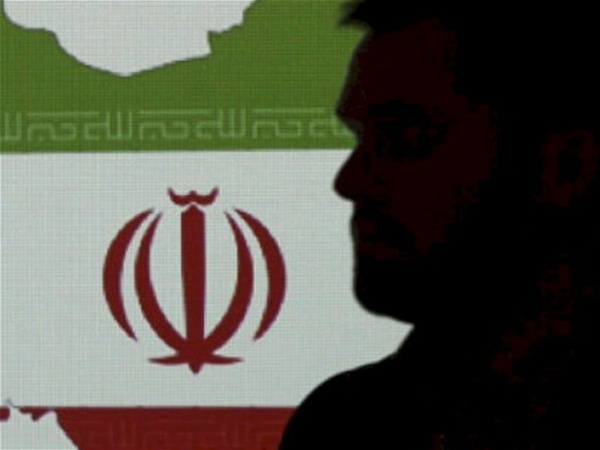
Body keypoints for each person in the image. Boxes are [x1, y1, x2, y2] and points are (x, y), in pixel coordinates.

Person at [279, 2, 598, 449]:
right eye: (360, 137)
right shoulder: (343, 423)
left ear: (566, 166)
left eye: (405, 138)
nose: (348, 181)